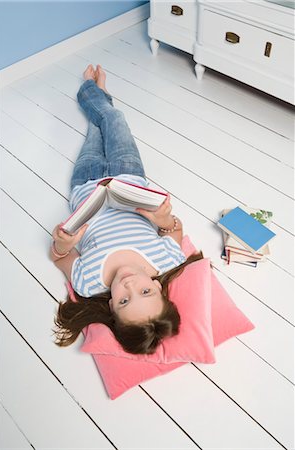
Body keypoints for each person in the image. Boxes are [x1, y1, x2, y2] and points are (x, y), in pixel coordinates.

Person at [51, 64, 203, 354]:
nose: (130, 285)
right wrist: (164, 218)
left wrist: (62, 244)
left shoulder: (89, 281)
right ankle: (94, 89)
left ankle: (98, 92)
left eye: (123, 300)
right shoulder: (166, 260)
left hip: (86, 182)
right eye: (144, 292)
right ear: (158, 288)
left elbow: (59, 258)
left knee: (96, 128)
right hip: (128, 173)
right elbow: (175, 229)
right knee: (114, 119)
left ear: (110, 305)